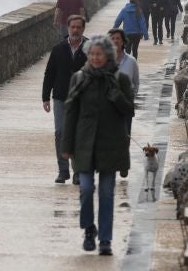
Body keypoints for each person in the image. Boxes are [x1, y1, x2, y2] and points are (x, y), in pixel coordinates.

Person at [62, 35, 134, 256]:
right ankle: (88, 228)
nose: (94, 58)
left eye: (98, 54)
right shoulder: (79, 78)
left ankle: (105, 240)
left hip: (110, 146)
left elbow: (129, 111)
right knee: (85, 190)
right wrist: (66, 146)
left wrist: (116, 96)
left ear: (108, 56)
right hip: (84, 146)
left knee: (106, 193)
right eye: (91, 54)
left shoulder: (119, 79)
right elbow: (70, 112)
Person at [42, 15, 88, 184]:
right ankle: (63, 171)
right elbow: (50, 73)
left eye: (78, 27)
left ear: (83, 28)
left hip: (82, 98)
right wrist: (45, 97)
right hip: (61, 97)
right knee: (60, 132)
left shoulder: (90, 48)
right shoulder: (58, 48)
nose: (75, 30)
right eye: (72, 27)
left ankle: (78, 171)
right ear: (68, 28)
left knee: (78, 134)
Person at [109, 29, 139, 136]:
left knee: (125, 137)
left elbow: (136, 83)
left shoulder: (131, 61)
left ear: (123, 41)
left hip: (126, 107)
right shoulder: (102, 61)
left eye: (118, 38)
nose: (115, 41)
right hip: (108, 108)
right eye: (112, 39)